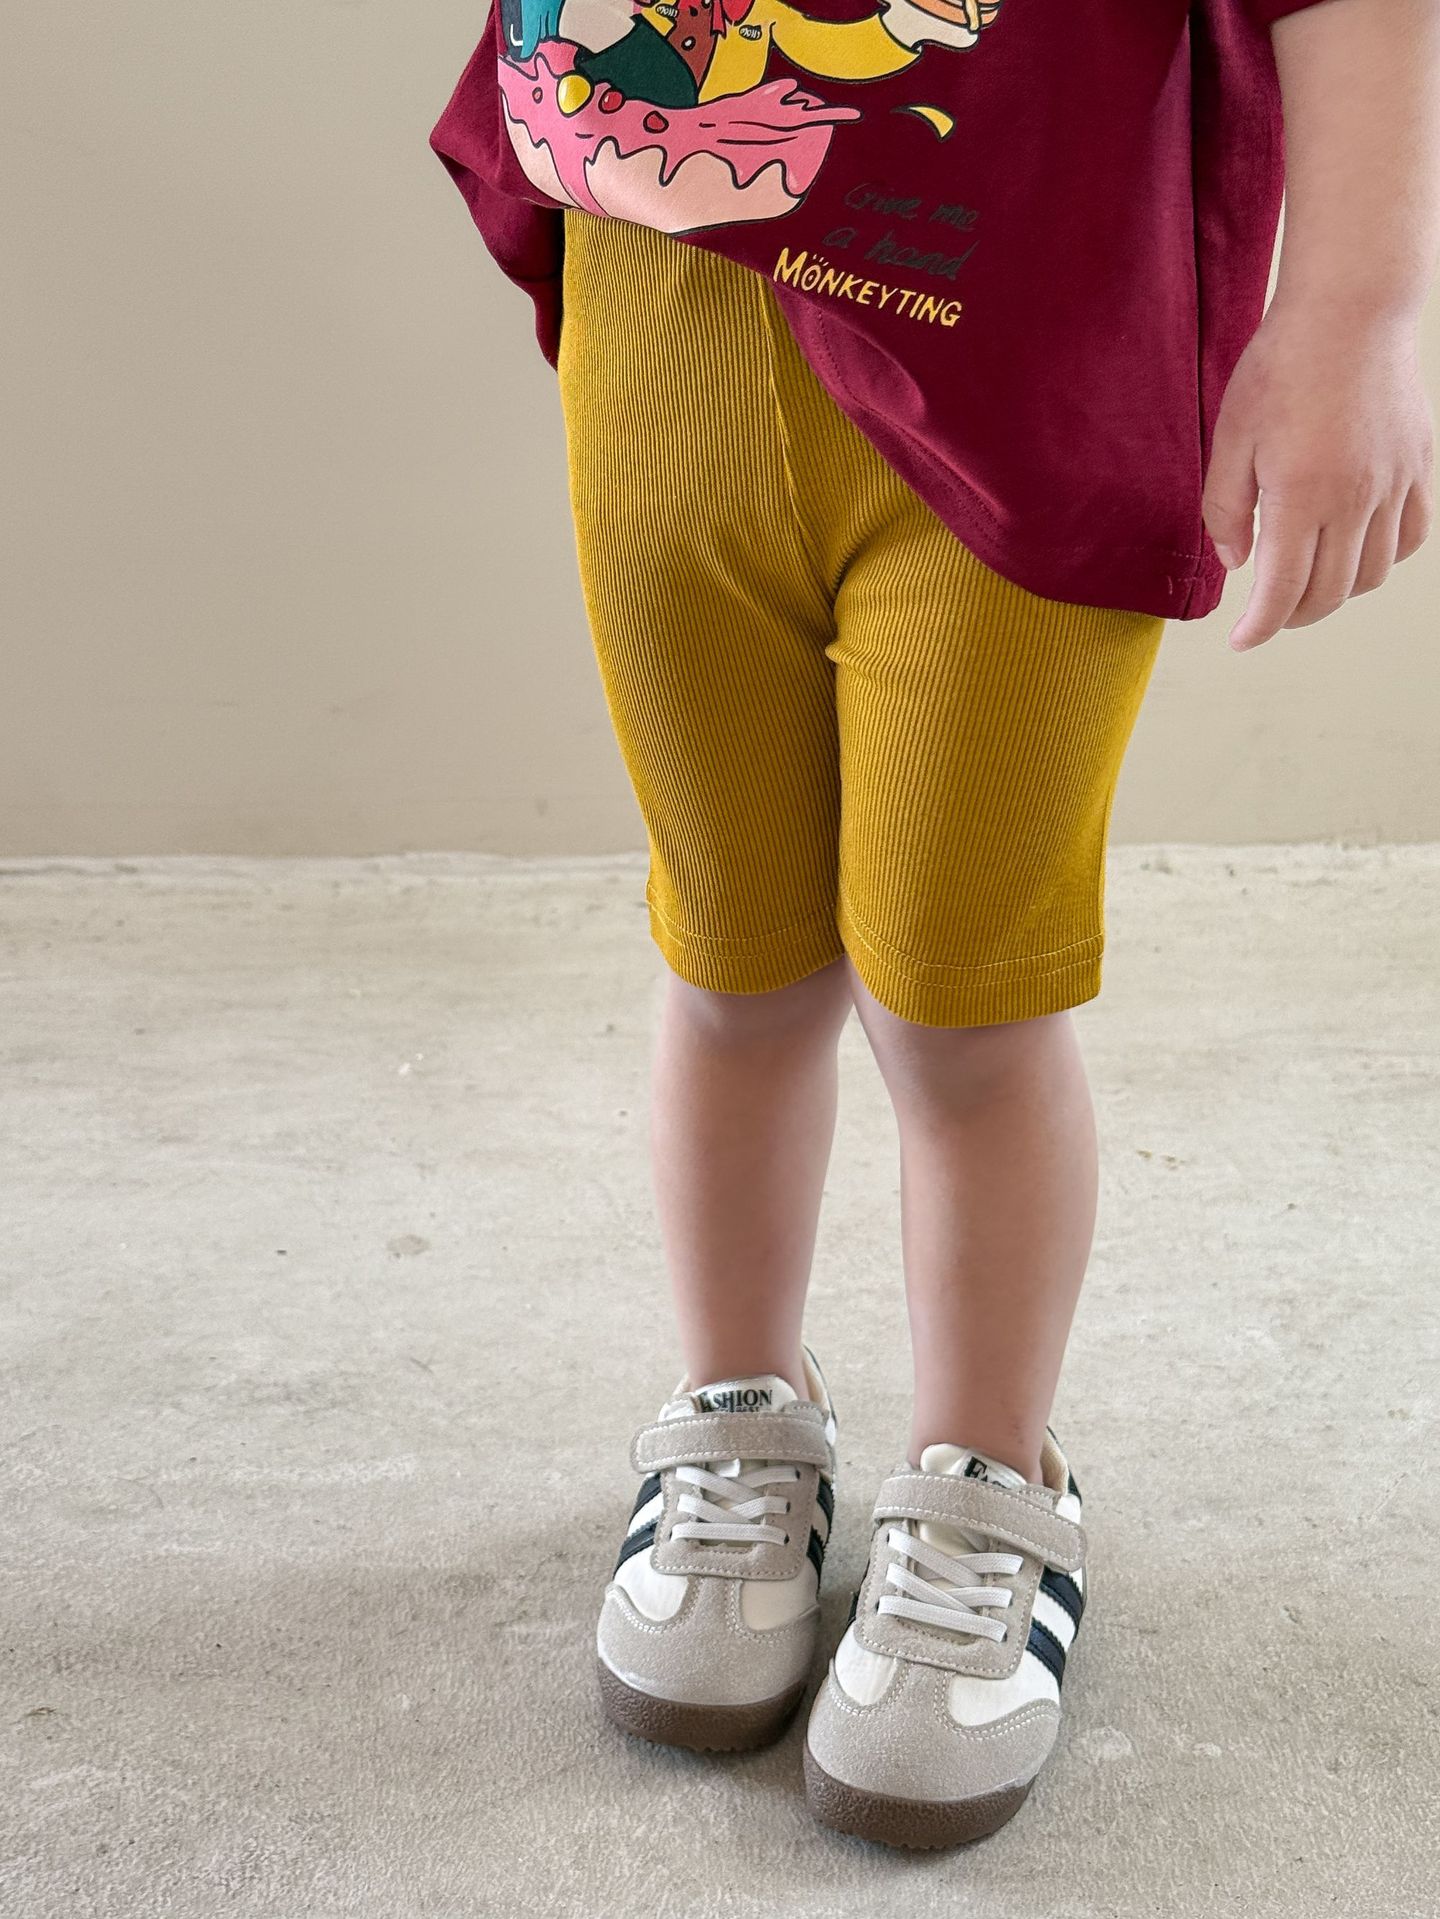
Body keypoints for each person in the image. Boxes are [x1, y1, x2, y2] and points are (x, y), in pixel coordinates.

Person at [433, 0, 1438, 1848]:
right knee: (734, 951)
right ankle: (740, 1410)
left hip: (1040, 315)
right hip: (665, 273)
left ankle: (989, 1482)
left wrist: (1360, 312)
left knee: (961, 994)